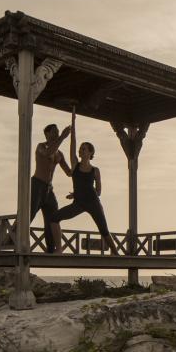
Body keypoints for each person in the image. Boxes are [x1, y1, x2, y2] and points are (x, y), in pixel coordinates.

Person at [51, 108, 118, 255]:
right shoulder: (75, 164)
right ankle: (59, 249)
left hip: (93, 203)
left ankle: (115, 252)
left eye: (84, 149)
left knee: (104, 230)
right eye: (81, 149)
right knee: (54, 218)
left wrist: (80, 193)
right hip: (79, 204)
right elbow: (73, 143)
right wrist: (73, 123)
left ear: (90, 153)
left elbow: (98, 191)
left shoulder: (95, 170)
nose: (81, 150)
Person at [30, 123, 71, 253]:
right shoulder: (41, 147)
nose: (57, 133)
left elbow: (69, 172)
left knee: (53, 218)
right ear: (47, 134)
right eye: (54, 131)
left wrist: (82, 164)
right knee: (28, 215)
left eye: (58, 131)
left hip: (48, 189)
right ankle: (11, 240)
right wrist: (63, 137)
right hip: (37, 185)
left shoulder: (59, 154)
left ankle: (51, 248)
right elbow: (48, 153)